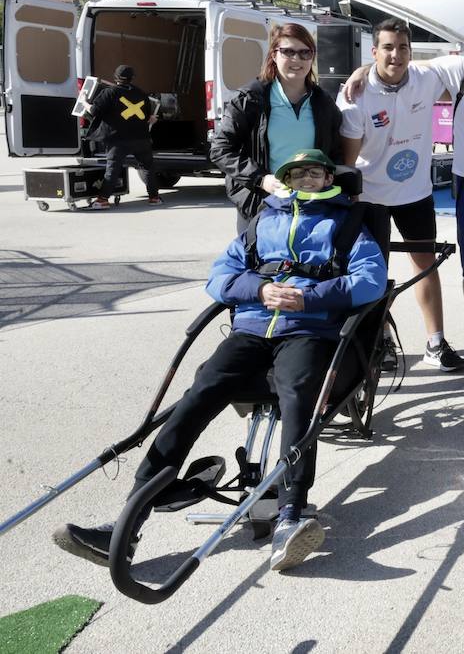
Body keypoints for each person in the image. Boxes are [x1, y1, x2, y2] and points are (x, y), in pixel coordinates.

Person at [54, 149, 386, 573]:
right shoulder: (261, 221)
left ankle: (290, 517)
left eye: (314, 172)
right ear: (284, 180)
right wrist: (260, 290)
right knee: (199, 393)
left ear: (328, 179)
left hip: (309, 330)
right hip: (252, 328)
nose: (305, 178)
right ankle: (126, 524)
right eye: (296, 172)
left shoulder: (348, 223)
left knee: (298, 397)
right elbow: (219, 277)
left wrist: (308, 296)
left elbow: (371, 281)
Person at [337, 18, 464, 372]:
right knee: (373, 273)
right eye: (388, 48)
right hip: (371, 196)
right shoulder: (355, 97)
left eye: (403, 48)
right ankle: (379, 342)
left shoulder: (426, 79)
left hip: (415, 194)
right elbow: (348, 162)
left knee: (426, 266)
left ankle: (436, 343)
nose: (396, 55)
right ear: (374, 51)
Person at [211, 24, 344, 234]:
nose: (296, 60)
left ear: (312, 57)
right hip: (261, 203)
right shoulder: (249, 99)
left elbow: (337, 153)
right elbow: (221, 150)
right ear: (274, 54)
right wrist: (261, 179)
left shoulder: (324, 103)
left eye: (304, 53)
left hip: (311, 205)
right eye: (288, 52)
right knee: (259, 265)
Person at [83, 64, 162, 208]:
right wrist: (152, 119)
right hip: (141, 138)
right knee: (147, 167)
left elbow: (94, 111)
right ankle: (154, 198)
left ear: (115, 77)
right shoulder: (142, 94)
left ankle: (103, 200)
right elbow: (148, 118)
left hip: (118, 139)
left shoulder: (109, 92)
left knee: (112, 168)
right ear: (132, 78)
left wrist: (83, 102)